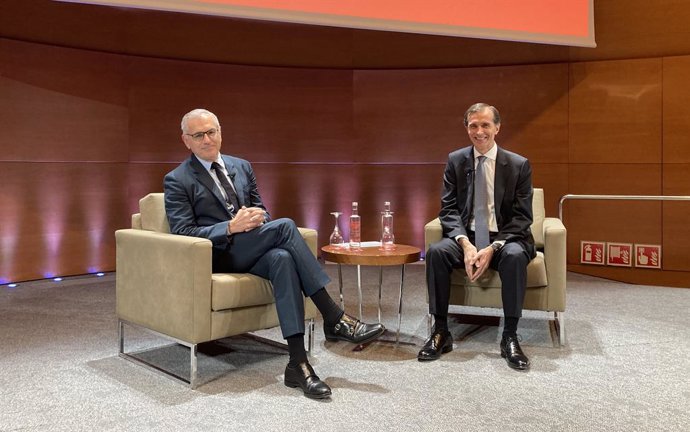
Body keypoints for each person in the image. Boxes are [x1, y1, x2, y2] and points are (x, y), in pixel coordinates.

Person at [164, 108, 385, 398]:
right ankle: (334, 316)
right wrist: (230, 227)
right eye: (198, 135)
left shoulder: (241, 166)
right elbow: (183, 233)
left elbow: (263, 211)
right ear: (186, 141)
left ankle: (298, 364)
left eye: (211, 132)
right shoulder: (177, 179)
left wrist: (258, 219)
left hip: (253, 245)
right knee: (285, 227)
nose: (207, 139)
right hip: (217, 254)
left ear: (220, 132)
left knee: (282, 258)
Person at [419, 103, 536, 370]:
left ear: (497, 127)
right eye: (473, 125)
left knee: (516, 256)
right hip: (467, 236)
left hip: (506, 238)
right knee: (436, 251)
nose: (479, 131)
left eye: (485, 125)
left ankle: (510, 337)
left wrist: (493, 247)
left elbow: (522, 217)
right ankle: (441, 331)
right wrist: (466, 244)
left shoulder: (518, 165)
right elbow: (448, 209)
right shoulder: (456, 160)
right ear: (467, 128)